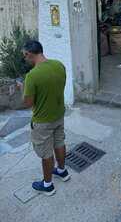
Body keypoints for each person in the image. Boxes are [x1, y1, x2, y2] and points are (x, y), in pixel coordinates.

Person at [20, 40, 70, 196]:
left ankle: (47, 185)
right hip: (59, 114)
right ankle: (62, 171)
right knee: (60, 142)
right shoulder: (59, 65)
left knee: (46, 152)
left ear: (29, 54)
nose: (25, 59)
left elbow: (28, 103)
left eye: (24, 56)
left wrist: (22, 88)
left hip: (42, 121)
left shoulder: (32, 76)